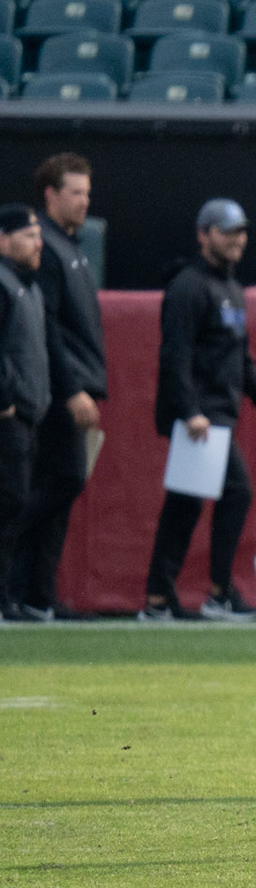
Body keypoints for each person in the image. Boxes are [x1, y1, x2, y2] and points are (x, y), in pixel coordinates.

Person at [142, 200, 256, 623]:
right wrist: (189, 410)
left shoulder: (231, 289)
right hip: (200, 418)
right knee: (233, 491)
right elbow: (175, 356)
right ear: (203, 235)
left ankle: (160, 598)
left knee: (187, 504)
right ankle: (216, 592)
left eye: (241, 232)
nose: (237, 240)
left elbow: (240, 359)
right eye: (227, 232)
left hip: (218, 417)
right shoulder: (188, 287)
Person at [10, 153, 105, 622]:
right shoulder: (47, 248)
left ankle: (38, 594)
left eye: (87, 193)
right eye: (75, 192)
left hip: (73, 382)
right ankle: (20, 578)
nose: (85, 201)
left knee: (59, 488)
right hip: (58, 389)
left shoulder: (71, 246)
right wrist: (71, 390)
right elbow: (46, 328)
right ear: (50, 195)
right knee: (63, 480)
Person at [0, 206, 49, 622]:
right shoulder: (4, 283)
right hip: (8, 415)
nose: (38, 243)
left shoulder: (27, 286)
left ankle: (8, 596)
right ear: (3, 239)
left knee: (16, 505)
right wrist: (5, 400)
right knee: (9, 502)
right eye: (29, 235)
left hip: (29, 412)